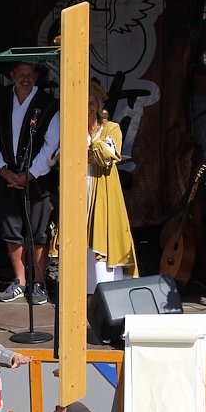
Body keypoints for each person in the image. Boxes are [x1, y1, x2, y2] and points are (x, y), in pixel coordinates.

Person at [0, 61, 59, 305]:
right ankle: (20, 281)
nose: (25, 79)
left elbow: (52, 144)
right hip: (8, 177)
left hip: (37, 178)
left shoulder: (49, 105)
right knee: (11, 230)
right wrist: (4, 170)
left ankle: (38, 283)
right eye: (21, 74)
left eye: (30, 75)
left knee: (38, 233)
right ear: (12, 75)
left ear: (37, 76)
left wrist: (30, 174)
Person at [86, 80, 137, 300]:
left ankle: (107, 293)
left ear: (98, 106)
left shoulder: (111, 128)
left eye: (91, 103)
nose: (87, 107)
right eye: (82, 103)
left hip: (103, 190)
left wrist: (88, 141)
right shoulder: (69, 127)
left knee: (103, 235)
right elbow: (57, 156)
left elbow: (107, 156)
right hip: (78, 191)